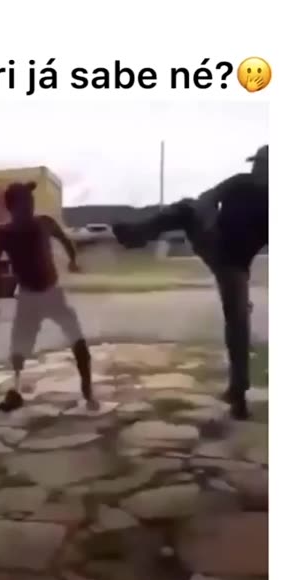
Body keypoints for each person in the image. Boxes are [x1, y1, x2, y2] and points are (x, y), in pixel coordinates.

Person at [113, 145, 268, 420]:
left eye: (262, 165)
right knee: (187, 207)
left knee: (238, 323)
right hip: (214, 241)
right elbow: (208, 197)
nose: (257, 170)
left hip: (233, 265)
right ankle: (137, 234)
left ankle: (238, 395)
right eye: (256, 164)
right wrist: (204, 214)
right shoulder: (240, 182)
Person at [0, 181, 98, 412]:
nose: (31, 205)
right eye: (25, 202)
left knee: (77, 338)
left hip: (52, 293)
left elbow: (66, 240)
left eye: (31, 201)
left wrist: (73, 260)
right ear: (12, 207)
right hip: (28, 296)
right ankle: (15, 390)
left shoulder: (44, 223)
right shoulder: (1, 235)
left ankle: (87, 389)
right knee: (19, 346)